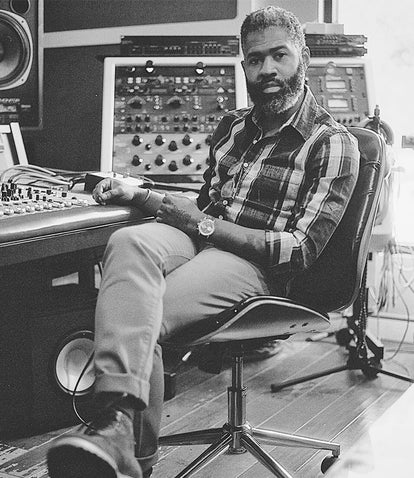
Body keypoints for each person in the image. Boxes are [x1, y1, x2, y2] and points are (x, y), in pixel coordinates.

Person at [47, 5, 359, 478]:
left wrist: (205, 227)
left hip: (258, 265)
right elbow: (204, 204)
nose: (268, 70)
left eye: (279, 56)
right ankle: (115, 431)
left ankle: (129, 451)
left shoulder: (332, 143)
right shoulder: (234, 127)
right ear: (244, 66)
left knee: (144, 313)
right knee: (129, 243)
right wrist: (141, 194)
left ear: (304, 57)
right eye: (255, 60)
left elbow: (298, 249)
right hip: (205, 240)